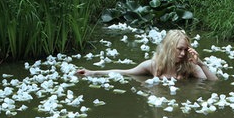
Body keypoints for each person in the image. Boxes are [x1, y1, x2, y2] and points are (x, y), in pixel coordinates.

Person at [76, 29, 218, 81]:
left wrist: (200, 63)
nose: (182, 53)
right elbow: (125, 72)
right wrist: (93, 72)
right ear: (169, 48)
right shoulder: (154, 65)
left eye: (185, 50)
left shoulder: (190, 66)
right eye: (179, 49)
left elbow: (214, 83)